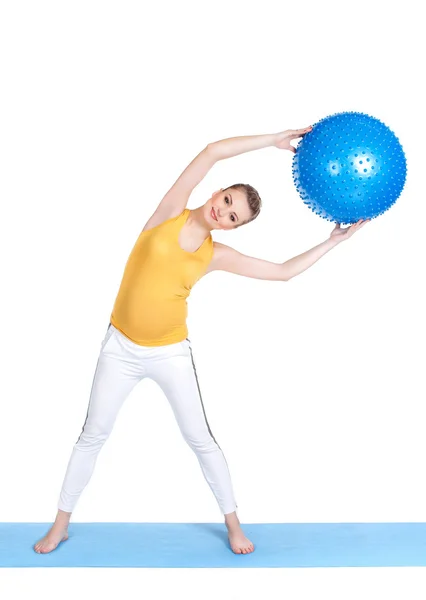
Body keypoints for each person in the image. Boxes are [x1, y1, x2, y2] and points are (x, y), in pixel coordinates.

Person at [34, 126, 369, 556]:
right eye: (226, 201)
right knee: (92, 435)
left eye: (233, 217)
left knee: (200, 438)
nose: (223, 212)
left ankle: (233, 525)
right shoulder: (168, 213)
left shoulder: (215, 255)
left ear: (234, 228)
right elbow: (212, 151)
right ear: (217, 192)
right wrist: (273, 141)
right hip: (120, 347)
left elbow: (283, 271)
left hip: (170, 353)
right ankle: (60, 525)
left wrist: (332, 242)